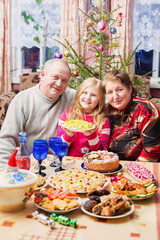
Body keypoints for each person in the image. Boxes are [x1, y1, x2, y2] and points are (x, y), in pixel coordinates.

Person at [0, 59, 75, 169]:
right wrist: (4, 171)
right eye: (55, 77)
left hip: (60, 164)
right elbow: (7, 139)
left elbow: (97, 97)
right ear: (43, 75)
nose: (59, 84)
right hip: (29, 165)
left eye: (64, 81)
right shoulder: (22, 100)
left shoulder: (72, 96)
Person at [102, 70, 160, 162]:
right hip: (108, 166)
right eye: (110, 92)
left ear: (129, 88)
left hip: (137, 168)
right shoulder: (107, 110)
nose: (115, 96)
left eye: (119, 90)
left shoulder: (146, 110)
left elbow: (151, 152)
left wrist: (132, 171)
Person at [57, 78, 110, 157]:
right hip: (68, 163)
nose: (87, 97)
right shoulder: (66, 116)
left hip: (92, 165)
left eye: (93, 95)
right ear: (79, 94)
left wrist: (91, 136)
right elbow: (59, 150)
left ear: (100, 100)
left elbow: (102, 153)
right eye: (84, 93)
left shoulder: (103, 121)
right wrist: (68, 135)